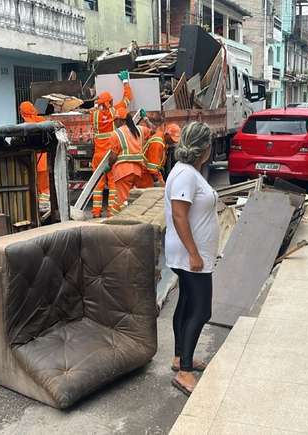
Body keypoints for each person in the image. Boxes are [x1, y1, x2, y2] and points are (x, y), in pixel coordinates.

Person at [164, 122, 218, 396]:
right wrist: (195, 254)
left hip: (190, 253)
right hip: (191, 256)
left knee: (186, 305)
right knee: (201, 310)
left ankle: (180, 358)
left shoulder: (188, 172)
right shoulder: (186, 175)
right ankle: (184, 372)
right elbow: (179, 215)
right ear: (205, 148)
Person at [91, 70, 133, 217]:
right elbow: (128, 98)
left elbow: (97, 109)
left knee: (98, 184)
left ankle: (96, 212)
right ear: (109, 102)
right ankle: (111, 212)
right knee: (113, 184)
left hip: (98, 155)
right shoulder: (115, 111)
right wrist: (125, 82)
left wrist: (99, 105)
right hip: (111, 155)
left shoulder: (94, 115)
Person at [106, 115, 152, 216]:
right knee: (128, 199)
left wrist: (109, 165)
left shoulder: (116, 134)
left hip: (123, 172)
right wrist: (146, 118)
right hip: (137, 171)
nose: (114, 123)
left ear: (121, 120)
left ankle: (117, 220)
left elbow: (113, 157)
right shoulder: (139, 130)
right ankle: (113, 219)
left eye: (115, 120)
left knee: (122, 201)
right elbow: (153, 130)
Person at [19, 101, 50, 209]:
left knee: (34, 187)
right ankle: (46, 209)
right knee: (45, 189)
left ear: (22, 112)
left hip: (32, 162)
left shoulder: (26, 124)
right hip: (44, 161)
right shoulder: (41, 121)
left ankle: (36, 209)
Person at [136, 123, 181, 188]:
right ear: (167, 134)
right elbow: (153, 169)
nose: (173, 142)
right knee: (148, 195)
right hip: (145, 175)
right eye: (171, 139)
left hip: (147, 173)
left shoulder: (163, 140)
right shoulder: (157, 143)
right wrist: (160, 183)